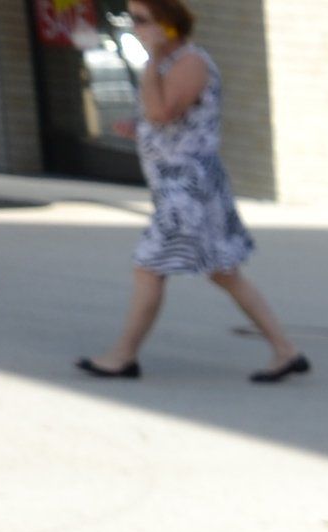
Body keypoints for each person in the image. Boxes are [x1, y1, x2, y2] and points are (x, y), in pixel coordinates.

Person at [76, 0, 308, 386]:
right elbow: (165, 119)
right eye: (133, 19)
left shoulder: (189, 62)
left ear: (166, 23)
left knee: (149, 267)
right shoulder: (170, 63)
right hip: (179, 185)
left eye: (141, 19)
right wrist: (139, 128)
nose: (134, 26)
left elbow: (162, 112)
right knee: (223, 271)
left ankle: (123, 356)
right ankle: (286, 350)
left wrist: (152, 61)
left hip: (189, 189)